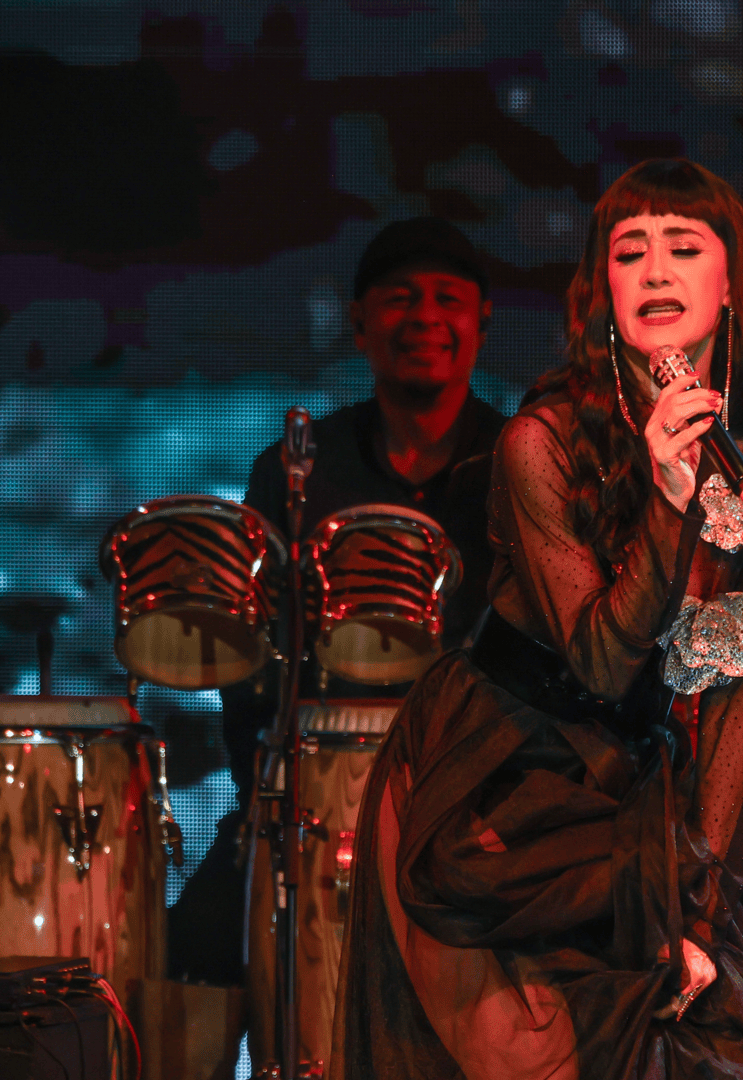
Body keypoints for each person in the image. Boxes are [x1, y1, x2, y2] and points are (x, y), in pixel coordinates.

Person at [337, 158, 743, 1079]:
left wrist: (704, 918)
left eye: (684, 247)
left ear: (733, 283)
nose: (656, 270)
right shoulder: (541, 442)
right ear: (604, 287)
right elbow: (602, 661)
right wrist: (668, 503)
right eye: (630, 252)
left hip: (630, 800)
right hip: (495, 790)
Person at [167, 216, 508, 986]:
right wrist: (265, 790)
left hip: (476, 802)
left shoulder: (520, 466)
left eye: (447, 298)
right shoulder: (294, 471)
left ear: (482, 322)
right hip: (310, 799)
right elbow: (248, 661)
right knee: (183, 961)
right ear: (359, 324)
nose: (424, 317)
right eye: (400, 298)